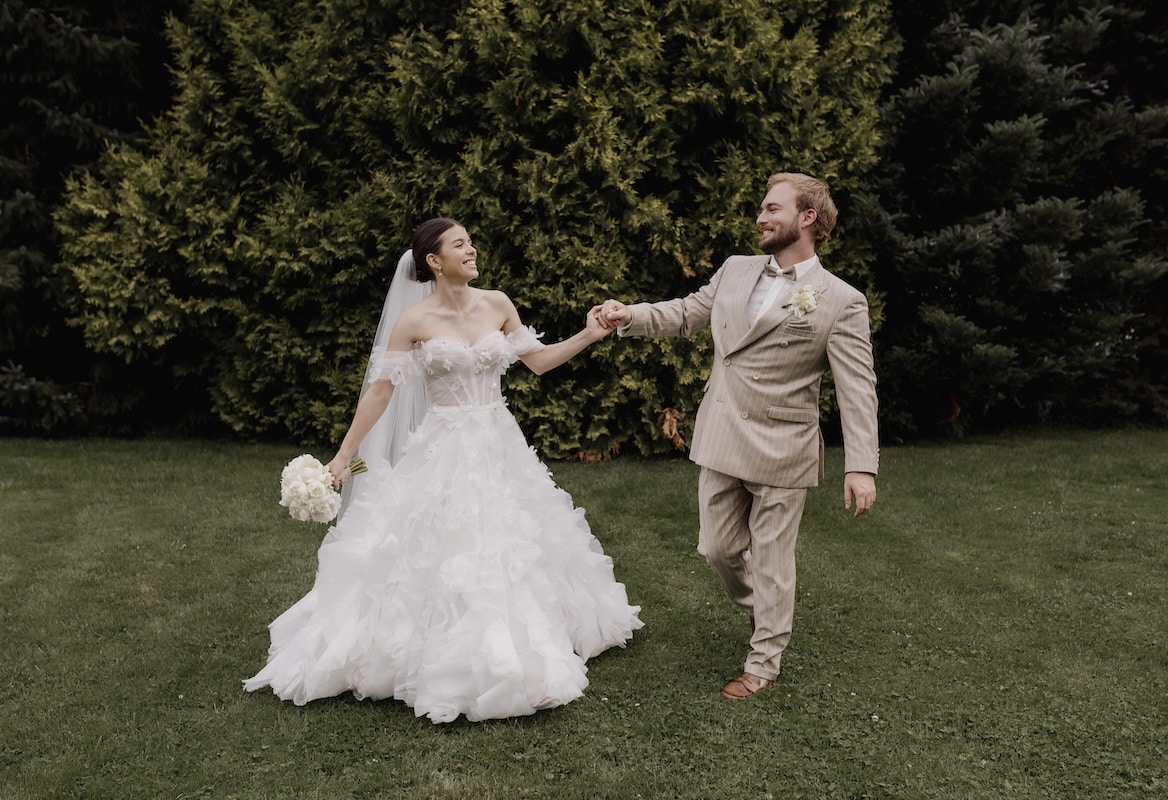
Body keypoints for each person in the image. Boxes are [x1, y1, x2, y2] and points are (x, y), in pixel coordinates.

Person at [245, 217, 642, 724]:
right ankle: (445, 651)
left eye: (471, 242)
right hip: (443, 444)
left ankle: (526, 636)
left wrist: (589, 334)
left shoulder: (498, 303)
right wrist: (343, 457)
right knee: (439, 547)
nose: (472, 249)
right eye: (461, 244)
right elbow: (381, 392)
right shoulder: (413, 321)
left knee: (513, 541)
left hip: (497, 439)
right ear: (434, 261)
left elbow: (538, 361)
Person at [599, 172, 878, 700]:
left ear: (808, 218)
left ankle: (764, 660)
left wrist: (861, 465)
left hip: (784, 448)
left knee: (773, 559)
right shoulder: (735, 270)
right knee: (718, 549)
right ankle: (770, 612)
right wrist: (626, 316)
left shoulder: (841, 300)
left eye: (773, 209)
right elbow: (685, 314)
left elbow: (857, 388)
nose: (761, 217)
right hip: (723, 434)